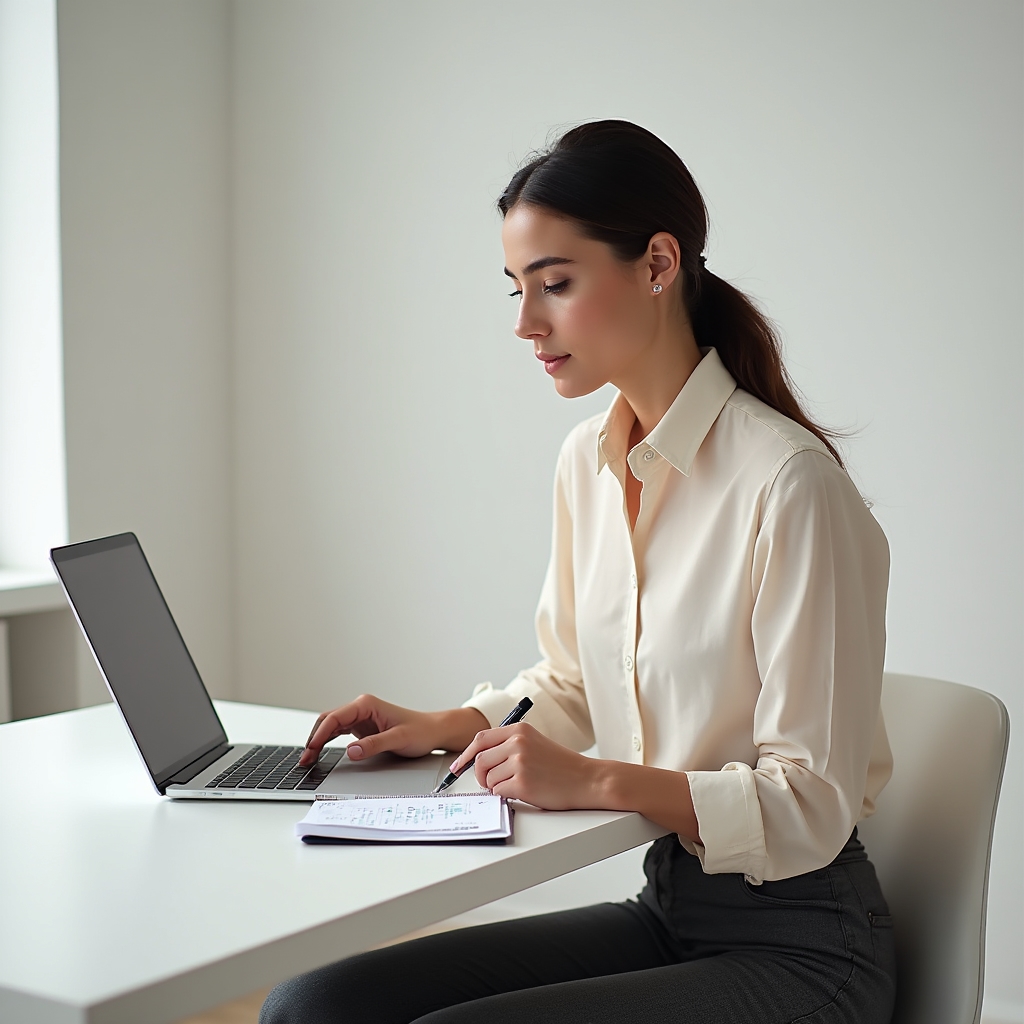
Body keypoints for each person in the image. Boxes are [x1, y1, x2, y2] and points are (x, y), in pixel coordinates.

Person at [260, 119, 896, 1024]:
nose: (525, 322)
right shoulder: (584, 463)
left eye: (555, 284)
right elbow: (572, 680)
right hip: (670, 909)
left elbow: (810, 805)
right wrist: (446, 725)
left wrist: (596, 780)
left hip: (807, 950)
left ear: (658, 263)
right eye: (518, 289)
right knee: (314, 1006)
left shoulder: (790, 486)